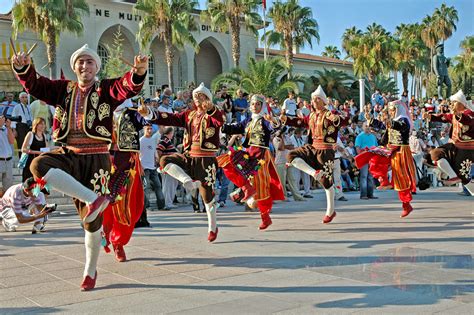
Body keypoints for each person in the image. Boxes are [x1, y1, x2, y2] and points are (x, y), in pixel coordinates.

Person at [11, 44, 148, 291]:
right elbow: (36, 85)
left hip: (97, 158)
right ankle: (94, 199)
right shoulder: (62, 89)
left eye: (89, 62)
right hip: (69, 154)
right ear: (74, 67)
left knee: (90, 223)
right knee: (38, 164)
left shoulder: (105, 89)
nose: (84, 66)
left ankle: (90, 270)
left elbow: (126, 86)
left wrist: (137, 73)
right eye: (80, 62)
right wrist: (23, 67)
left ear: (97, 67)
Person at [140, 82, 223, 242]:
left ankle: (213, 227)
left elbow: (220, 121)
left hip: (206, 159)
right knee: (165, 159)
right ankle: (187, 181)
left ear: (208, 98)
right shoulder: (189, 115)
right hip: (190, 156)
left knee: (207, 197)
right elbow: (169, 117)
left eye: (202, 96)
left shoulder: (214, 114)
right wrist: (149, 112)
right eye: (196, 97)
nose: (199, 99)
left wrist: (212, 108)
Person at [282, 85, 348, 224]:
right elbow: (299, 122)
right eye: (313, 99)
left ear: (323, 101)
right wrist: (283, 119)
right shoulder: (311, 115)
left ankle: (331, 211)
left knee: (327, 183)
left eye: (317, 99)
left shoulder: (329, 114)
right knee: (291, 156)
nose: (314, 101)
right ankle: (313, 173)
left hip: (325, 151)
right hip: (312, 148)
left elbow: (343, 120)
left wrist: (335, 116)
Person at [218, 95, 284, 229]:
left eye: (258, 104)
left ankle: (265, 217)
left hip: (260, 154)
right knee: (228, 159)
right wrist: (221, 125)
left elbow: (275, 127)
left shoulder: (264, 120)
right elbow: (236, 128)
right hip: (248, 151)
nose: (255, 106)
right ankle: (244, 188)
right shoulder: (248, 120)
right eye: (253, 104)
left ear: (262, 106)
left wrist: (273, 121)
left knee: (260, 185)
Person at [102, 99, 148, 263]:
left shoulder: (132, 113)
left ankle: (118, 242)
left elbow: (146, 119)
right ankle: (104, 233)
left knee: (125, 206)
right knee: (102, 204)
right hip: (103, 162)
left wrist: (146, 113)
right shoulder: (102, 110)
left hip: (126, 163)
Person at [356, 101, 417, 217]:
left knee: (401, 179)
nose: (391, 112)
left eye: (393, 110)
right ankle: (384, 180)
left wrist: (389, 122)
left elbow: (400, 126)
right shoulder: (392, 121)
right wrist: (371, 120)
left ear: (398, 110)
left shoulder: (404, 120)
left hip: (401, 152)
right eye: (390, 111)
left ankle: (406, 205)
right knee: (375, 158)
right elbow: (383, 126)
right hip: (390, 149)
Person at [422, 90, 473, 193]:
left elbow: (467, 120)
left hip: (467, 150)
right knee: (436, 153)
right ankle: (453, 177)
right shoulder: (454, 114)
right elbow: (443, 117)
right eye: (452, 102)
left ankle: (461, 181)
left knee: (464, 178)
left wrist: (458, 115)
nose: (451, 104)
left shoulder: (470, 113)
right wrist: (430, 116)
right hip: (454, 146)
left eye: (454, 102)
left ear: (461, 103)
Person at [140, 124, 165, 216]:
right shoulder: (141, 141)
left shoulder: (153, 140)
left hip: (153, 167)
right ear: (144, 130)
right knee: (146, 188)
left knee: (158, 185)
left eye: (150, 129)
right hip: (144, 167)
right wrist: (140, 167)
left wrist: (157, 159)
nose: (149, 130)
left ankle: (161, 205)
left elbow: (154, 151)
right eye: (147, 129)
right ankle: (146, 205)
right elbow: (138, 155)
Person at [354, 122, 378, 200]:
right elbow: (357, 148)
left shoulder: (373, 136)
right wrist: (361, 156)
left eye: (369, 126)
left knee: (370, 176)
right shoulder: (360, 136)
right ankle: (363, 194)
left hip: (372, 158)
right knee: (364, 176)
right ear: (363, 127)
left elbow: (376, 147)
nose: (367, 128)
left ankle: (370, 194)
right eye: (366, 126)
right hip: (364, 158)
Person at [157, 127, 179, 210]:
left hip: (170, 165)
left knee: (172, 183)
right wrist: (161, 161)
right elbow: (159, 150)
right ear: (170, 133)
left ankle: (169, 202)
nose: (173, 135)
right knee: (168, 184)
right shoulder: (164, 141)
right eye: (172, 133)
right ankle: (167, 202)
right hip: (168, 166)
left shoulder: (167, 141)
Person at [11, 92, 33, 157]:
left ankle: (28, 159)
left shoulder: (29, 107)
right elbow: (13, 118)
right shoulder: (17, 107)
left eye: (26, 97)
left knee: (29, 143)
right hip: (20, 126)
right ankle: (21, 160)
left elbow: (31, 117)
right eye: (22, 97)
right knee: (21, 144)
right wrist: (14, 130)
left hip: (28, 126)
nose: (24, 99)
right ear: (19, 99)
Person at [0, 114, 15, 192]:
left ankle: (6, 203)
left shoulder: (5, 129)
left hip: (8, 161)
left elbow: (12, 141)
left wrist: (8, 127)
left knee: (8, 188)